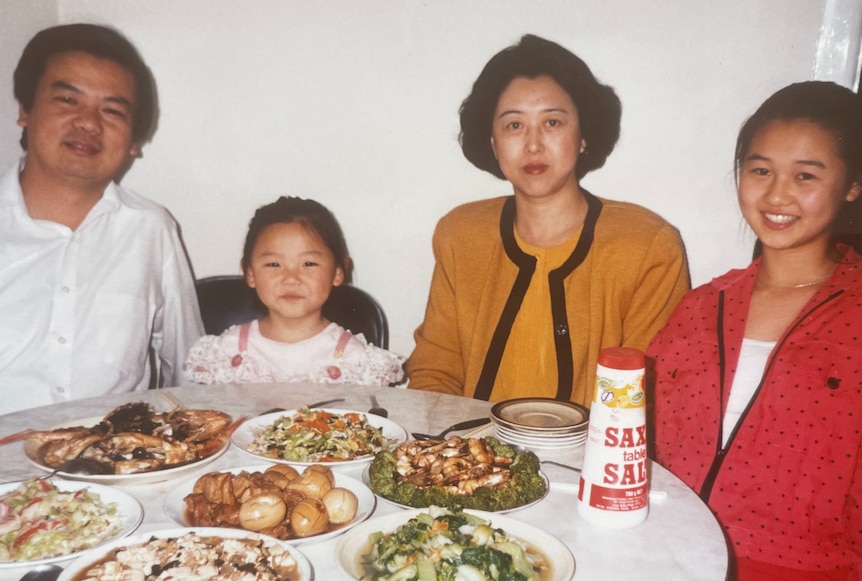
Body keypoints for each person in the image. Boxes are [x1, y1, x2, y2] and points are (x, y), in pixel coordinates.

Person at [647, 81, 862, 581]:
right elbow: (634, 437)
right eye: (760, 170)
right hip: (671, 552)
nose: (777, 195)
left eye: (806, 175)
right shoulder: (703, 307)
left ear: (853, 186)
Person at [406, 34, 689, 405]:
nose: (534, 145)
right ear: (492, 141)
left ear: (583, 134)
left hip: (592, 457)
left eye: (552, 123)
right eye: (514, 125)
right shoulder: (460, 234)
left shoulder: (646, 245)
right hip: (469, 453)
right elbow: (435, 371)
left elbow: (647, 395)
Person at [0, 23, 203, 415]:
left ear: (132, 142)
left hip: (118, 466)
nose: (89, 123)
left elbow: (190, 373)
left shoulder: (150, 228)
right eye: (67, 100)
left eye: (111, 110)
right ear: (25, 110)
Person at [184, 196, 404, 386]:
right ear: (249, 273)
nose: (291, 278)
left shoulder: (353, 359)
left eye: (308, 264)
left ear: (338, 272)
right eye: (273, 264)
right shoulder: (227, 351)